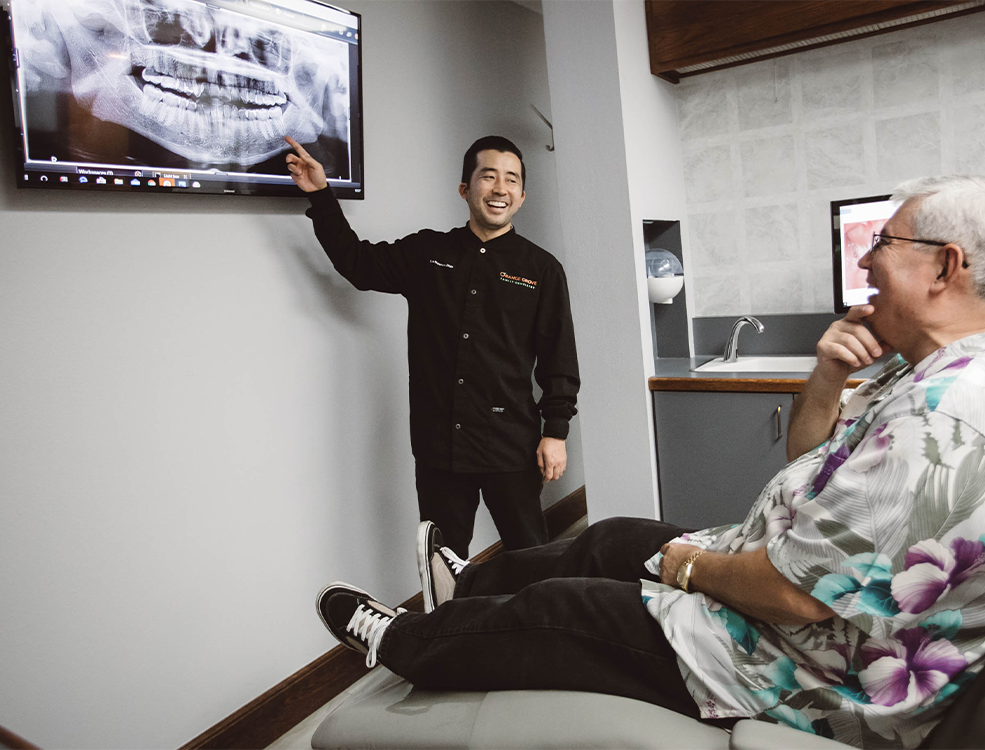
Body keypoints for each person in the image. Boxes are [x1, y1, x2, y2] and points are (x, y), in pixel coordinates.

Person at [315, 175, 985, 749]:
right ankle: (466, 591)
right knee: (615, 536)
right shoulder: (921, 371)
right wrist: (829, 372)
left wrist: (685, 567)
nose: (866, 262)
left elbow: (793, 596)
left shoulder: (945, 414)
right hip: (800, 598)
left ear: (945, 266)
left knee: (571, 606)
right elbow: (809, 461)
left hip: (808, 662)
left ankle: (404, 641)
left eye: (885, 244)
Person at [285, 135, 580, 559]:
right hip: (439, 445)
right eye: (488, 176)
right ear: (465, 189)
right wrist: (321, 196)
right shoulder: (427, 252)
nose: (500, 188)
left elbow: (559, 358)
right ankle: (448, 625)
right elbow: (357, 263)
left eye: (511, 180)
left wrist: (556, 432)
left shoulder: (542, 270)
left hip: (511, 444)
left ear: (522, 195)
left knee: (529, 557)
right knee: (443, 561)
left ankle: (531, 626)